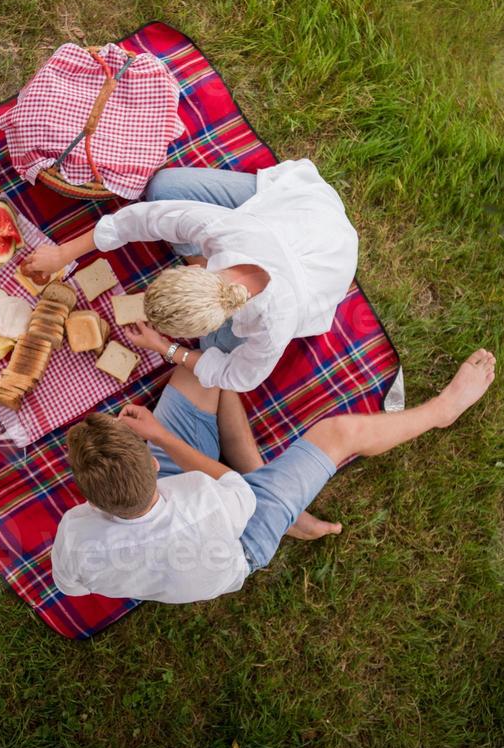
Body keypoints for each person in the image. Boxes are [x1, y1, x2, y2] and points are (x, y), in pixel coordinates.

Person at [51, 349, 496, 603]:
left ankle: (285, 502)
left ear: (88, 497)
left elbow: (70, 587)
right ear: (150, 462)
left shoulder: (74, 533)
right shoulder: (201, 500)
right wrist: (161, 435)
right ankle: (442, 411)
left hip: (184, 507)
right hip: (239, 535)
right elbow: (235, 491)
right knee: (339, 432)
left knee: (206, 370)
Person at [26, 160, 358, 392]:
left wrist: (166, 348)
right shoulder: (224, 228)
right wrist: (62, 254)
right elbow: (145, 218)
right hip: (293, 213)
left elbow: (238, 377)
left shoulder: (273, 327)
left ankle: (205, 327)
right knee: (163, 188)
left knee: (216, 350)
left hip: (324, 262)